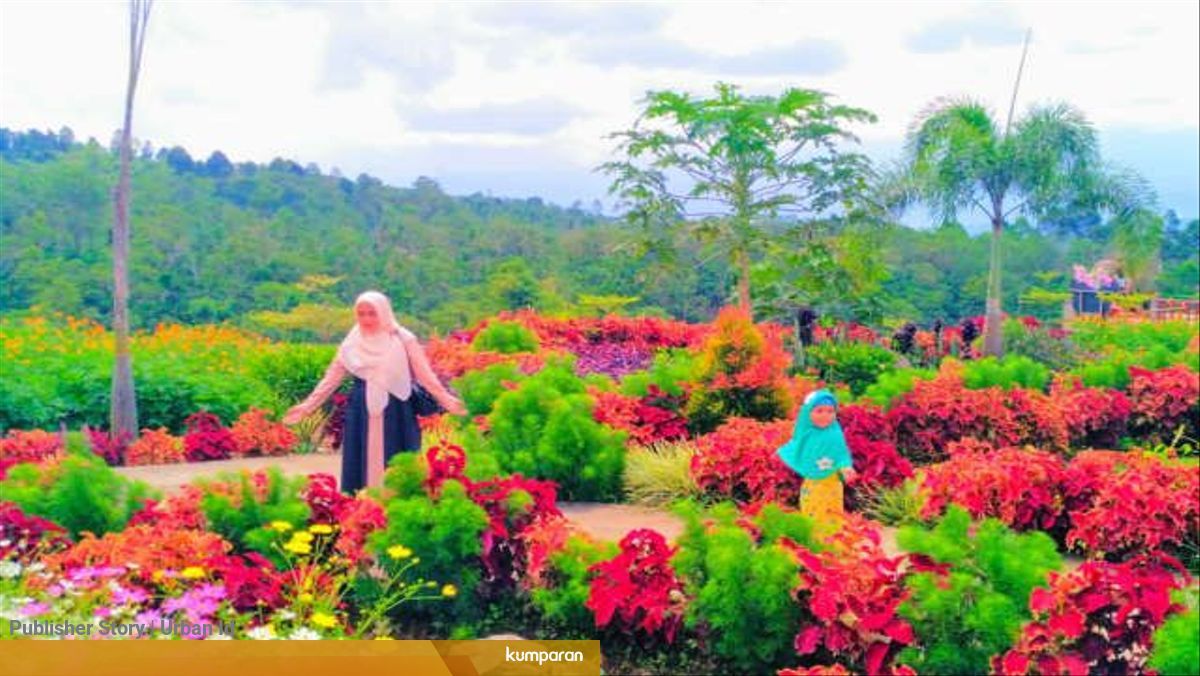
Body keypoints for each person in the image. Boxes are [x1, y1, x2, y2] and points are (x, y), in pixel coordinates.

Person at [282, 290, 466, 493]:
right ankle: (362, 507)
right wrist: (308, 406)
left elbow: (425, 375)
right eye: (361, 313)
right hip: (361, 409)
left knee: (398, 461)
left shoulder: (404, 339)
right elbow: (331, 379)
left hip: (397, 410)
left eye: (372, 313)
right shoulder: (352, 343)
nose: (366, 319)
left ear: (384, 312)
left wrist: (446, 399)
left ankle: (396, 506)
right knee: (361, 461)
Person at [776, 389, 856, 528]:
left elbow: (841, 455)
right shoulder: (806, 434)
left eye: (830, 411)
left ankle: (833, 536)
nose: (825, 416)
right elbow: (798, 449)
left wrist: (846, 467)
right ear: (808, 412)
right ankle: (815, 535)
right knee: (813, 509)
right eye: (819, 411)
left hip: (833, 483)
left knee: (833, 511)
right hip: (813, 484)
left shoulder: (835, 433)